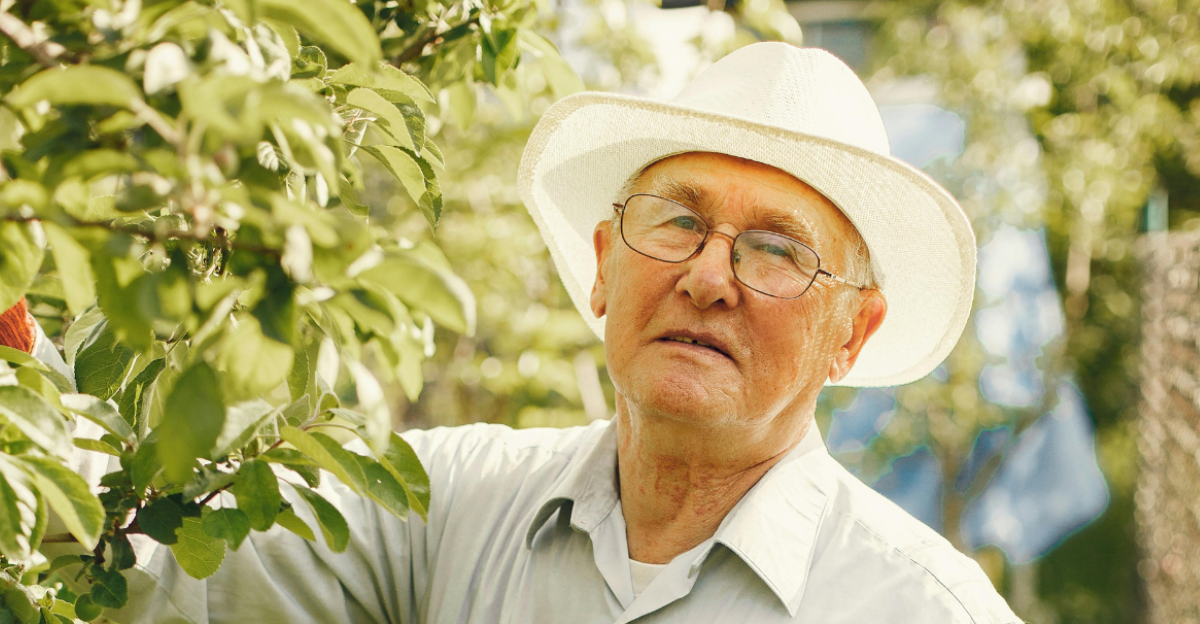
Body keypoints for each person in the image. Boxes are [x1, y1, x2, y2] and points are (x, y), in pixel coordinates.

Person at [32, 43, 1019, 623]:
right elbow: (156, 557)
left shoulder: (921, 609)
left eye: (776, 250)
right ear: (603, 264)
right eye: (676, 219)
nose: (708, 278)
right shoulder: (453, 503)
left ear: (852, 333)